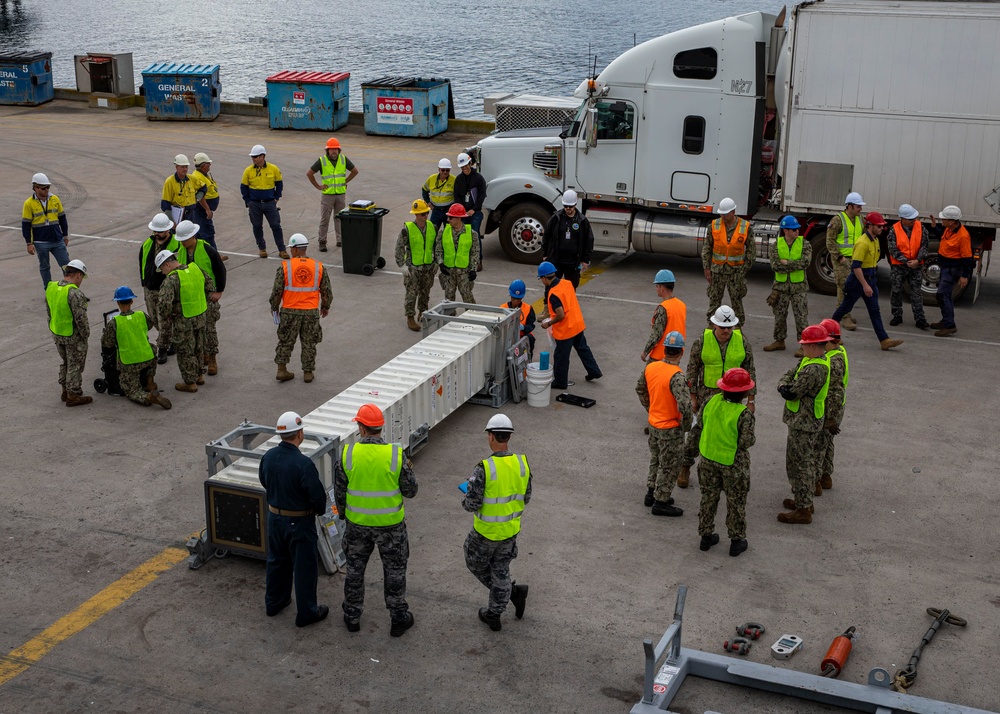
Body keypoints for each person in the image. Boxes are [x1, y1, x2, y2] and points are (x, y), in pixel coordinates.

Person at [334, 404, 418, 637]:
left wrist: (344, 516)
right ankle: (398, 618)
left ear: (361, 427)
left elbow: (339, 492)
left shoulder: (347, 453)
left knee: (354, 570)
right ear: (381, 427)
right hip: (391, 527)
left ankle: (352, 616)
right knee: (394, 572)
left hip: (357, 525)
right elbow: (411, 491)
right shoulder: (396, 454)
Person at [258, 410, 329, 628]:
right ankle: (307, 612)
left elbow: (264, 481)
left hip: (274, 519)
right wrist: (318, 510)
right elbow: (317, 497)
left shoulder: (268, 457)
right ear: (299, 433)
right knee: (304, 567)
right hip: (298, 523)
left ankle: (274, 602)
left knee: (276, 561)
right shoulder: (303, 463)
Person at [462, 414, 532, 631]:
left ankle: (507, 595)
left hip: (485, 533)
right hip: (510, 531)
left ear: (491, 436)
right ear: (508, 437)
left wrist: (466, 497)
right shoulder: (522, 464)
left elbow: (471, 504)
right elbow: (526, 497)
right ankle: (495, 612)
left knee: (474, 561)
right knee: (500, 569)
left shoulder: (484, 468)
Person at [680, 306, 756, 487]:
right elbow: (692, 369)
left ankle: (724, 470)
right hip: (707, 395)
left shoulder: (742, 342)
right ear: (714, 324)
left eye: (730, 327)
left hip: (734, 398)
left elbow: (750, 370)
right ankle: (685, 465)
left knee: (729, 434)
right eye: (722, 327)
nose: (726, 331)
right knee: (696, 433)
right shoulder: (702, 341)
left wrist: (751, 400)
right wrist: (692, 396)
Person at [691, 367, 756, 557]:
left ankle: (705, 536)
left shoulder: (711, 401)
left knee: (708, 498)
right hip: (732, 463)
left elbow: (701, 423)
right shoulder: (744, 414)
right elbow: (746, 442)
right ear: (744, 392)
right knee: (736, 501)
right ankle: (736, 541)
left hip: (708, 458)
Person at [776, 325, 832, 524]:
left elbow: (792, 391)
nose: (802, 348)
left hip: (804, 422)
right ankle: (805, 502)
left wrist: (783, 386)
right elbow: (789, 375)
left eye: (805, 345)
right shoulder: (812, 361)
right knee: (802, 462)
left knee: (800, 465)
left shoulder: (814, 369)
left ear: (816, 346)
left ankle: (803, 509)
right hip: (804, 420)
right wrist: (784, 383)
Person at [636, 331, 693, 516]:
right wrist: (685, 426)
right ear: (681, 351)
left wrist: (650, 408)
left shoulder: (651, 368)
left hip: (654, 424)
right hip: (670, 428)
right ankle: (661, 501)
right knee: (670, 466)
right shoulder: (677, 377)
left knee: (656, 459)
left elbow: (639, 388)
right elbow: (685, 406)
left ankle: (651, 493)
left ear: (665, 349)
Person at [831, 212, 904, 351]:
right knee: (844, 308)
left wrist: (869, 284)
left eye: (882, 226)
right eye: (879, 226)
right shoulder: (862, 243)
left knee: (874, 311)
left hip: (870, 279)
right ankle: (830, 334)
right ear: (870, 226)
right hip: (859, 281)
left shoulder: (875, 240)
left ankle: (884, 340)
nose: (882, 229)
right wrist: (865, 285)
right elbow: (856, 267)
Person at [269, 234, 333, 383]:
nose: (291, 251)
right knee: (309, 343)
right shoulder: (318, 266)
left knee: (285, 341)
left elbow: (277, 290)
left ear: (296, 249)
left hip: (289, 311)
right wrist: (325, 306)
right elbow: (327, 290)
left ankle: (281, 369)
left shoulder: (285, 266)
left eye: (291, 249)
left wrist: (274, 307)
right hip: (310, 312)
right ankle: (308, 372)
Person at [100, 286, 171, 409]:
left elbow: (107, 343)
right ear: (132, 301)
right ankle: (150, 382)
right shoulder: (141, 315)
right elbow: (149, 325)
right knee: (152, 348)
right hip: (147, 358)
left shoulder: (114, 322)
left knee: (131, 390)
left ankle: (148, 397)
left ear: (118, 302)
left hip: (129, 363)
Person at [156, 250, 213, 393]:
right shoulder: (195, 269)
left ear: (167, 264)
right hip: (200, 316)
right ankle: (199, 375)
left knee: (185, 352)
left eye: (162, 269)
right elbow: (210, 287)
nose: (163, 273)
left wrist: (169, 316)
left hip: (183, 321)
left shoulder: (171, 279)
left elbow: (164, 306)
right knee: (199, 348)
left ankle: (190, 382)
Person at [538, 261, 602, 389]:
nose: (541, 281)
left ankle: (560, 382)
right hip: (577, 323)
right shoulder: (567, 283)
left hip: (566, 330)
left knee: (561, 357)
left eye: (541, 278)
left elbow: (561, 315)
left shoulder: (553, 294)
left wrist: (549, 323)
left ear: (545, 278)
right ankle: (594, 371)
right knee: (583, 348)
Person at [175, 220, 226, 376]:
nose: (182, 242)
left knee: (209, 328)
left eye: (185, 239)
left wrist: (219, 291)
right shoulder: (182, 251)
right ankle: (202, 354)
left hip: (208, 295)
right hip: (192, 296)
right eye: (181, 240)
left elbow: (220, 270)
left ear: (193, 236)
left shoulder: (207, 249)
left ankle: (212, 358)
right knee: (196, 328)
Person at [46, 259, 91, 407]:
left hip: (57, 332)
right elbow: (80, 319)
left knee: (66, 362)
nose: (81, 281)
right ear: (78, 275)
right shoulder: (74, 293)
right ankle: (73, 394)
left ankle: (65, 390)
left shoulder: (51, 287)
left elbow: (49, 311)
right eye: (82, 278)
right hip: (72, 335)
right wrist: (85, 335)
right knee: (75, 364)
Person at [702, 197, 755, 324]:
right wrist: (706, 268)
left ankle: (737, 329)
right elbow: (706, 248)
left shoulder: (745, 227)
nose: (723, 216)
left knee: (736, 302)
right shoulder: (714, 226)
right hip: (717, 271)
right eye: (721, 213)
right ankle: (711, 327)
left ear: (733, 212)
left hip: (736, 272)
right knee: (714, 301)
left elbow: (751, 252)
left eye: (725, 214)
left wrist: (743, 271)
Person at [139, 213, 182, 365]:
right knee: (155, 319)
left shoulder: (176, 245)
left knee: (165, 320)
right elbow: (142, 262)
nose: (157, 234)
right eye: (155, 231)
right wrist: (144, 283)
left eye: (160, 231)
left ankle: (162, 348)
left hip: (166, 290)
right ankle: (170, 341)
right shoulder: (147, 244)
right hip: (150, 289)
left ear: (168, 230)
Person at [764, 215, 811, 354]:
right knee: (779, 315)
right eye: (793, 229)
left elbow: (805, 263)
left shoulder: (805, 244)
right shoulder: (776, 245)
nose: (797, 231)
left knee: (801, 316)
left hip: (799, 287)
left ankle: (804, 345)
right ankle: (779, 341)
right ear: (786, 231)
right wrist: (794, 265)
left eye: (797, 229)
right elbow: (775, 266)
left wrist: (787, 263)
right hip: (780, 287)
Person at [927, 205, 974, 337]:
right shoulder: (949, 230)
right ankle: (946, 321)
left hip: (952, 269)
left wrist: (964, 276)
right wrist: (934, 227)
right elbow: (943, 238)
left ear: (952, 221)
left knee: (942, 295)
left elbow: (967, 258)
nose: (942, 220)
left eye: (944, 219)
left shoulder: (963, 236)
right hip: (946, 267)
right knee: (944, 295)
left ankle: (950, 325)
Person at [306, 137, 358, 251]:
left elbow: (355, 171)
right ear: (327, 150)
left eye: (336, 149)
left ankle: (340, 240)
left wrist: (345, 181)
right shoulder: (322, 160)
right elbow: (309, 173)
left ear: (339, 150)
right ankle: (322, 241)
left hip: (340, 194)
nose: (333, 151)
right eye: (331, 149)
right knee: (325, 218)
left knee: (339, 218)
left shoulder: (343, 159)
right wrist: (318, 186)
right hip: (328, 195)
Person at [395, 199, 437, 331]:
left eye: (426, 213)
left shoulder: (432, 227)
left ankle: (423, 312)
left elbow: (436, 247)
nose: (425, 216)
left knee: (425, 292)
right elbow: (399, 248)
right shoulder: (407, 230)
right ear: (416, 215)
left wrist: (436, 262)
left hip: (428, 267)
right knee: (411, 293)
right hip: (413, 268)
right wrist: (402, 265)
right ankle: (410, 317)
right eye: (423, 214)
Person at [22, 172, 70, 287]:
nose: (47, 190)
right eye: (44, 188)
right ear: (35, 188)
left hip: (57, 240)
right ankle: (48, 292)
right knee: (45, 267)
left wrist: (65, 235)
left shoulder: (55, 199)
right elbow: (26, 225)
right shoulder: (28, 204)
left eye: (48, 187)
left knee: (67, 266)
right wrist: (29, 243)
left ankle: (70, 291)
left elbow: (62, 218)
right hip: (40, 242)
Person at [826, 192, 866, 331]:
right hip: (842, 260)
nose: (860, 209)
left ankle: (846, 312)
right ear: (849, 206)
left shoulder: (861, 219)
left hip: (856, 260)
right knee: (843, 287)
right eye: (858, 206)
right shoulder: (837, 220)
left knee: (853, 288)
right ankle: (845, 316)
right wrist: (839, 257)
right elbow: (830, 241)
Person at [817, 318, 848, 494]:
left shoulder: (832, 361)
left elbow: (835, 392)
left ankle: (816, 482)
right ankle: (826, 476)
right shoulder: (840, 351)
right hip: (836, 408)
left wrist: (830, 418)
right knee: (827, 442)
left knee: (819, 446)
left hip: (830, 409)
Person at [241, 144, 287, 259]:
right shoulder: (248, 171)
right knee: (257, 226)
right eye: (252, 157)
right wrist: (248, 201)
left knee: (276, 225)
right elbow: (243, 187)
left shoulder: (273, 169)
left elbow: (279, 184)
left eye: (255, 157)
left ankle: (282, 249)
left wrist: (276, 197)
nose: (253, 159)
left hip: (270, 203)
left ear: (263, 156)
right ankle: (262, 248)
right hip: (255, 204)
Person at [887, 204, 928, 329]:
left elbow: (924, 246)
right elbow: (892, 249)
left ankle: (920, 319)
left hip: (916, 266)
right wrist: (906, 261)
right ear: (902, 219)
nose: (913, 221)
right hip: (899, 266)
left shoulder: (921, 227)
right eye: (910, 219)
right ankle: (897, 315)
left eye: (914, 218)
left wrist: (917, 260)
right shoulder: (894, 230)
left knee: (916, 292)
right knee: (896, 290)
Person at [542, 189, 594, 288]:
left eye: (570, 206)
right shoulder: (555, 218)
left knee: (571, 287)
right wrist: (545, 254)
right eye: (566, 206)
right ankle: (548, 303)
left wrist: (585, 259)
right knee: (551, 286)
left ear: (575, 204)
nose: (568, 208)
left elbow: (589, 240)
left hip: (573, 262)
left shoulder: (582, 221)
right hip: (556, 261)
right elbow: (546, 236)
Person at [436, 203, 478, 304]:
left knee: (467, 297)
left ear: (458, 218)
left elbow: (475, 253)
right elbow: (438, 250)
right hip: (448, 271)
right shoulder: (443, 232)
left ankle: (471, 317)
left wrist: (473, 269)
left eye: (450, 217)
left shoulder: (472, 234)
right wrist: (441, 263)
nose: (448, 220)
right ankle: (449, 318)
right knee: (448, 299)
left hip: (464, 272)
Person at [641, 269, 687, 363]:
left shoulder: (663, 308)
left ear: (662, 288)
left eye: (657, 286)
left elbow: (656, 334)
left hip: (660, 355)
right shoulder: (682, 305)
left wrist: (645, 352)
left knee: (647, 377)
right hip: (676, 355)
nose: (656, 289)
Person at [453, 152, 487, 270]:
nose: (464, 168)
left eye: (466, 166)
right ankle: (466, 259)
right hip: (464, 213)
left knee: (475, 234)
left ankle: (478, 260)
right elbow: (456, 196)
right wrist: (462, 210)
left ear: (470, 164)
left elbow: (482, 195)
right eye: (462, 167)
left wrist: (473, 209)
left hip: (475, 213)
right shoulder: (459, 180)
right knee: (464, 236)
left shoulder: (478, 178)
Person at [190, 152, 225, 259]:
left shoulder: (204, 174)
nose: (210, 165)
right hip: (201, 210)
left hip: (203, 210)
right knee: (207, 233)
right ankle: (215, 256)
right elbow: (200, 196)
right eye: (208, 164)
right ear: (203, 165)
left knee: (200, 234)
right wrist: (207, 209)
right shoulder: (197, 177)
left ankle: (201, 255)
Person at [500, 280, 536, 358]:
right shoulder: (503, 308)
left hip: (522, 335)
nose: (516, 301)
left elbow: (531, 325)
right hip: (507, 336)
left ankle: (528, 360)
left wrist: (523, 328)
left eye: (518, 299)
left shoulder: (528, 308)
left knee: (530, 339)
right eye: (514, 298)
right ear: (510, 295)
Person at [161, 154, 197, 227]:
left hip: (191, 216)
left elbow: (203, 187)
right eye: (182, 167)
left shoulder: (191, 179)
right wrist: (172, 221)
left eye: (186, 167)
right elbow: (165, 204)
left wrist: (197, 198)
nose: (185, 169)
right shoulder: (169, 182)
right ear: (176, 167)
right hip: (178, 217)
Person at [421, 158, 456, 231]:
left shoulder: (454, 180)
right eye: (443, 170)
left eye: (447, 170)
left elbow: (458, 194)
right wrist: (428, 202)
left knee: (449, 232)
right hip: (436, 210)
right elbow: (424, 190)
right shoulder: (431, 178)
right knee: (432, 231)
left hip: (448, 211)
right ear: (439, 169)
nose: (445, 172)